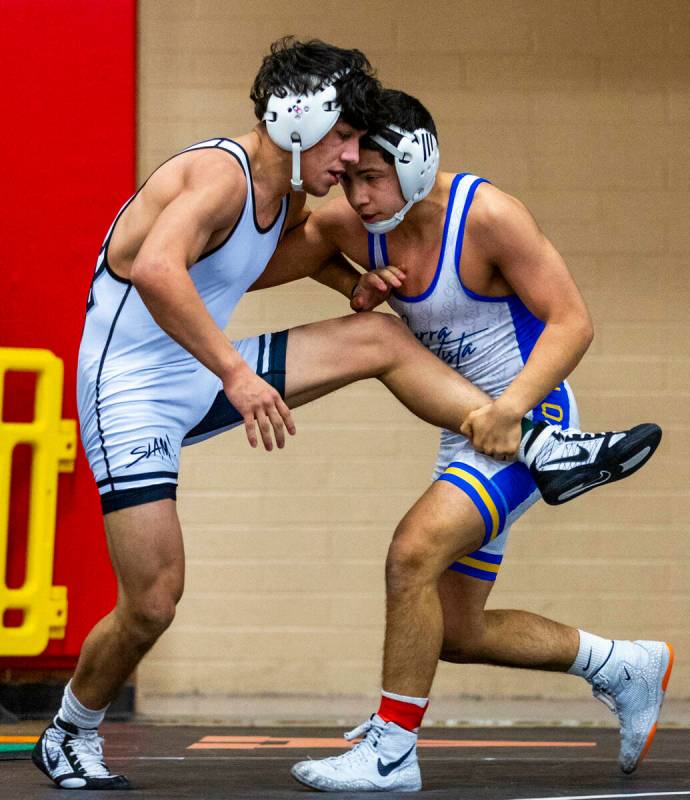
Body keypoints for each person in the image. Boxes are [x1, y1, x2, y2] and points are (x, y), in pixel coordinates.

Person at [32, 39, 660, 790]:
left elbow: (265, 260)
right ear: (298, 122)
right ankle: (71, 730)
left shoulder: (297, 197)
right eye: (343, 146)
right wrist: (237, 371)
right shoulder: (216, 176)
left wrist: (352, 287)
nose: (349, 170)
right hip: (129, 389)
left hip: (206, 369)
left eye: (367, 162)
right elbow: (161, 270)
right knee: (154, 601)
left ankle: (540, 449)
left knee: (378, 341)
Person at [250, 90, 671, 793]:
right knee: (455, 630)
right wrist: (354, 284)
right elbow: (259, 266)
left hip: (532, 420)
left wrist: (512, 409)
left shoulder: (488, 216)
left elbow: (572, 323)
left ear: (417, 163)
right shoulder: (355, 226)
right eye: (348, 177)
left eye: (371, 177)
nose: (356, 195)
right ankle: (622, 665)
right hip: (469, 432)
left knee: (411, 553)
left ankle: (391, 749)